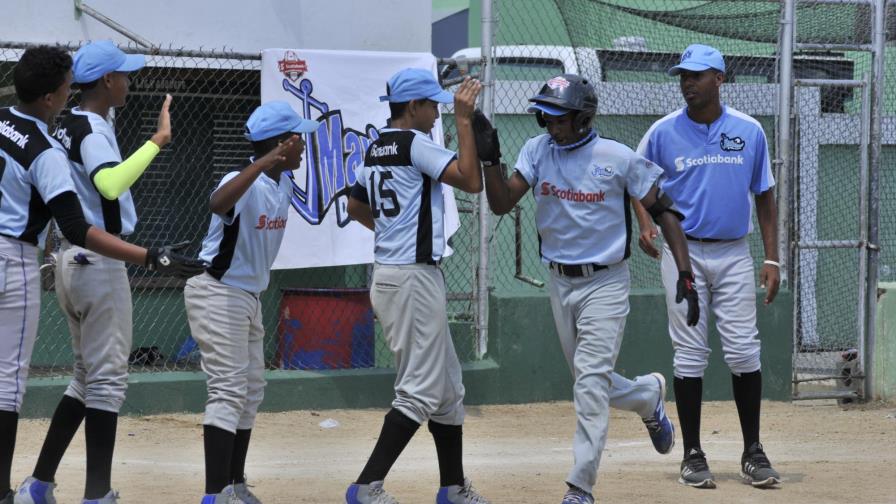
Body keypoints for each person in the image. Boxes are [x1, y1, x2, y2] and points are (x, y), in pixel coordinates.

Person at [480, 74, 699, 504]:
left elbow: (665, 211)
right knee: (587, 380)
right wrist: (491, 161)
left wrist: (686, 273)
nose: (550, 124)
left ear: (583, 118)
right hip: (560, 282)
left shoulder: (616, 157)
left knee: (590, 386)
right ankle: (647, 396)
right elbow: (502, 202)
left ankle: (580, 485)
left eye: (560, 117)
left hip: (605, 283)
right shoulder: (537, 151)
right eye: (546, 114)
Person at [0, 45, 203, 504]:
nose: (128, 82)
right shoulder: (87, 128)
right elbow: (108, 184)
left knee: (85, 378)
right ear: (106, 82)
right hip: (96, 260)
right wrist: (159, 140)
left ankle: (39, 483)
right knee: (106, 382)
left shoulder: (68, 122)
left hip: (71, 261)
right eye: (123, 76)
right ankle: (96, 494)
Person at [632, 43, 781, 489]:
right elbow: (637, 181)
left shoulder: (750, 131)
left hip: (734, 251)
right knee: (690, 352)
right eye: (683, 75)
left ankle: (753, 451)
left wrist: (772, 257)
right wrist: (645, 224)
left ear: (720, 78)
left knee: (742, 350)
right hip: (685, 254)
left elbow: (765, 195)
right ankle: (693, 454)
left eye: (696, 75)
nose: (687, 82)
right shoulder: (662, 132)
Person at [344, 68, 489, 504]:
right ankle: (366, 485)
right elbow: (472, 180)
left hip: (393, 274)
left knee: (448, 388)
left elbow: (354, 206)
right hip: (412, 279)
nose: (437, 113)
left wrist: (394, 233)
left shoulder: (375, 146)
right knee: (421, 389)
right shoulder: (413, 143)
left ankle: (452, 487)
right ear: (412, 107)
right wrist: (464, 122)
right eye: (432, 106)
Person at [183, 100, 317, 504]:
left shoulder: (284, 183)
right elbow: (217, 203)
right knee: (227, 391)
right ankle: (214, 493)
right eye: (298, 140)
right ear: (280, 144)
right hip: (217, 293)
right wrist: (261, 163)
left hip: (248, 297)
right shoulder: (242, 181)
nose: (304, 147)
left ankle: (234, 483)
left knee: (251, 390)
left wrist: (271, 164)